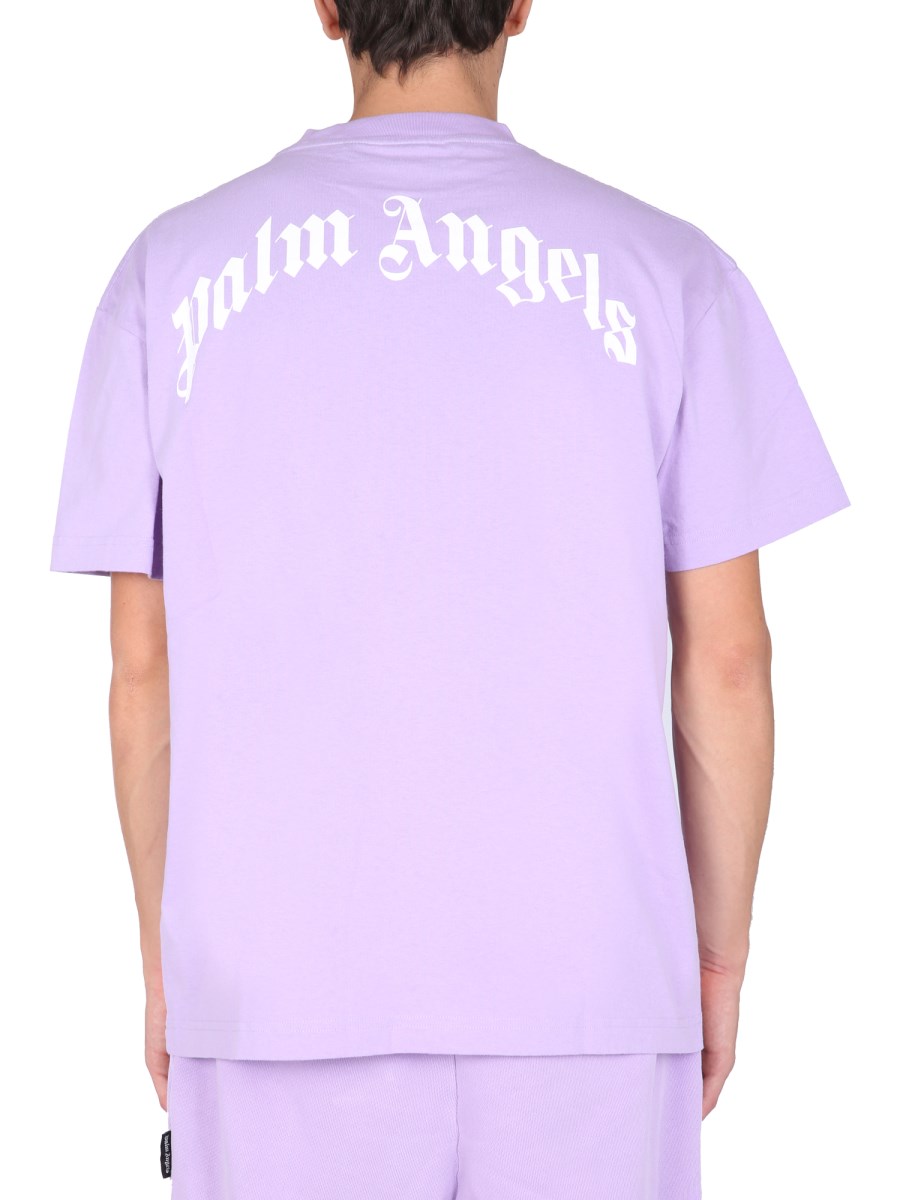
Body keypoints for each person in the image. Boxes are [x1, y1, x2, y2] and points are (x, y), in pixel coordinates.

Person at [49, 2, 849, 1197]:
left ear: (327, 9)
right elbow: (727, 664)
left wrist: (175, 966)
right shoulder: (671, 271)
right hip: (590, 986)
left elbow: (142, 672)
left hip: (274, 990)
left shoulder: (168, 274)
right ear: (519, 6)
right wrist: (717, 958)